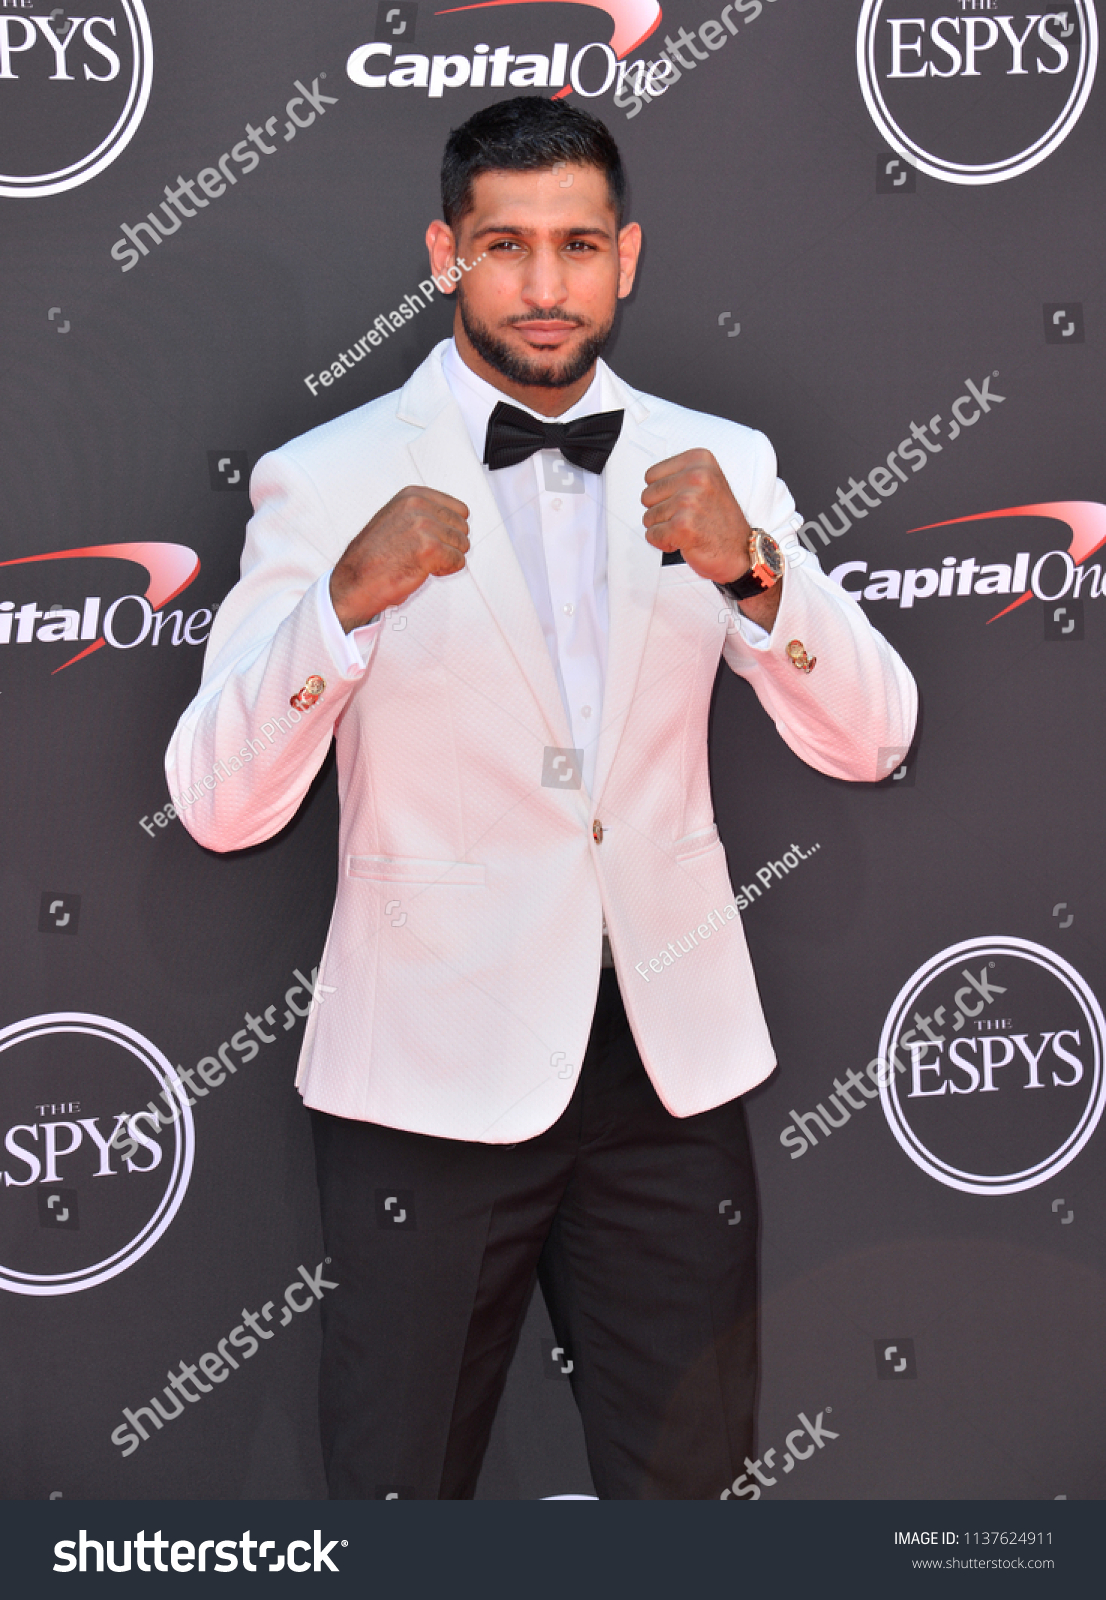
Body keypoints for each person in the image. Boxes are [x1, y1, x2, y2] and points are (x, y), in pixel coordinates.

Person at [166, 95, 916, 1500]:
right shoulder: (328, 478)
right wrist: (339, 608)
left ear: (625, 257)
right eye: (505, 246)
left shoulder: (725, 467)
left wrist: (754, 574)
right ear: (444, 253)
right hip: (425, 1082)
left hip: (667, 1073)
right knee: (399, 1490)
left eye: (576, 245)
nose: (544, 283)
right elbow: (216, 804)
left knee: (689, 1495)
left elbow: (873, 740)